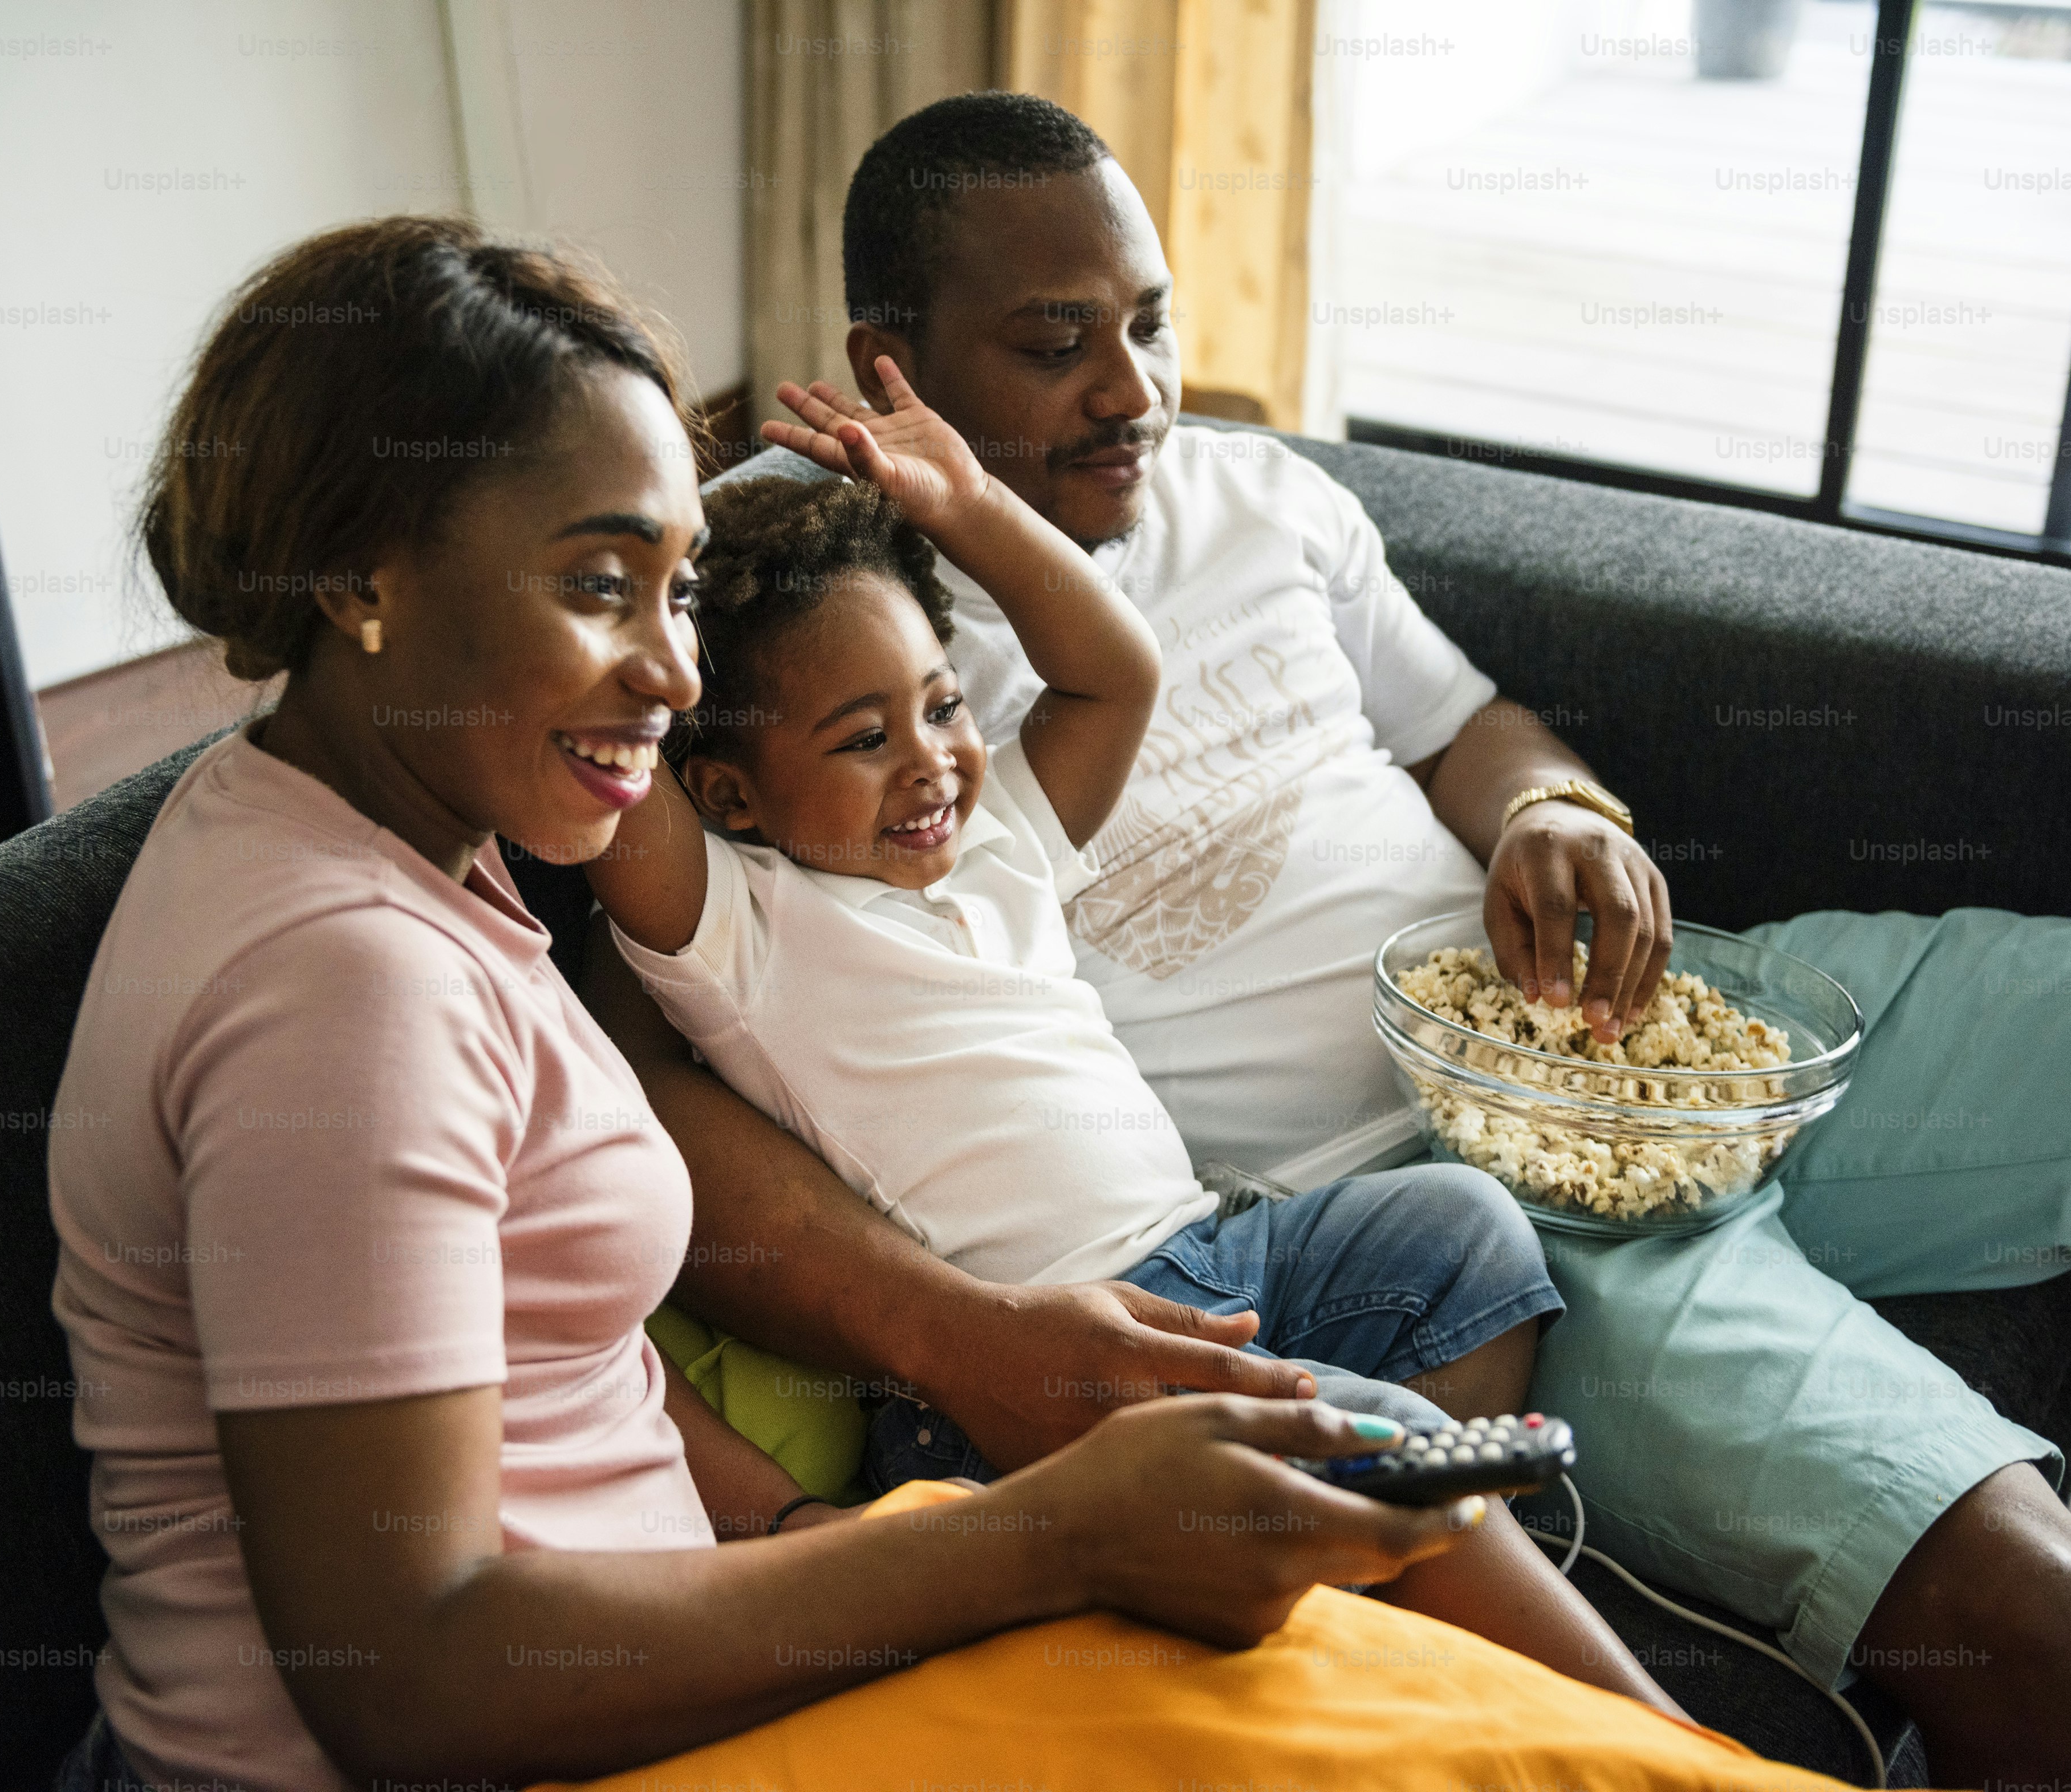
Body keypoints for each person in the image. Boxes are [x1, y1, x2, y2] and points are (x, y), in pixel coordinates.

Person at [42, 215, 1850, 1792]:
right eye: (601, 585)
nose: (670, 671)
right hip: (515, 1750)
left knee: (1391, 1617)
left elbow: (534, 1374)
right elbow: (405, 1677)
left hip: (667, 1647)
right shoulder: (342, 984)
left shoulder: (399, 841)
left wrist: (813, 1536)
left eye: (676, 589)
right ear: (360, 579)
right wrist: (1025, 1539)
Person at [584, 92, 2071, 1789]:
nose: (1131, 390)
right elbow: (640, 1045)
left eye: (1146, 324)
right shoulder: (802, 649)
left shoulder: (1251, 493)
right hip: (1430, 1193)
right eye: (1056, 344)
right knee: (2027, 1602)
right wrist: (947, 1338)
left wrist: (1549, 815)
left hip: (1646, 1021)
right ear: (891, 361)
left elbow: (1466, 727)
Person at [583, 357, 1676, 1713]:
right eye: (864, 739)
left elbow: (1113, 669)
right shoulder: (738, 927)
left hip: (1209, 1253)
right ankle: (1654, 1731)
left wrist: (969, 499)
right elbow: (626, 773)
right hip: (1017, 1375)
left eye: (942, 706)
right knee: (1380, 1432)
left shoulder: (997, 844)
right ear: (735, 796)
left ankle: (1352, 1581)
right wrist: (641, 575)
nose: (930, 760)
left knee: (1464, 1229)